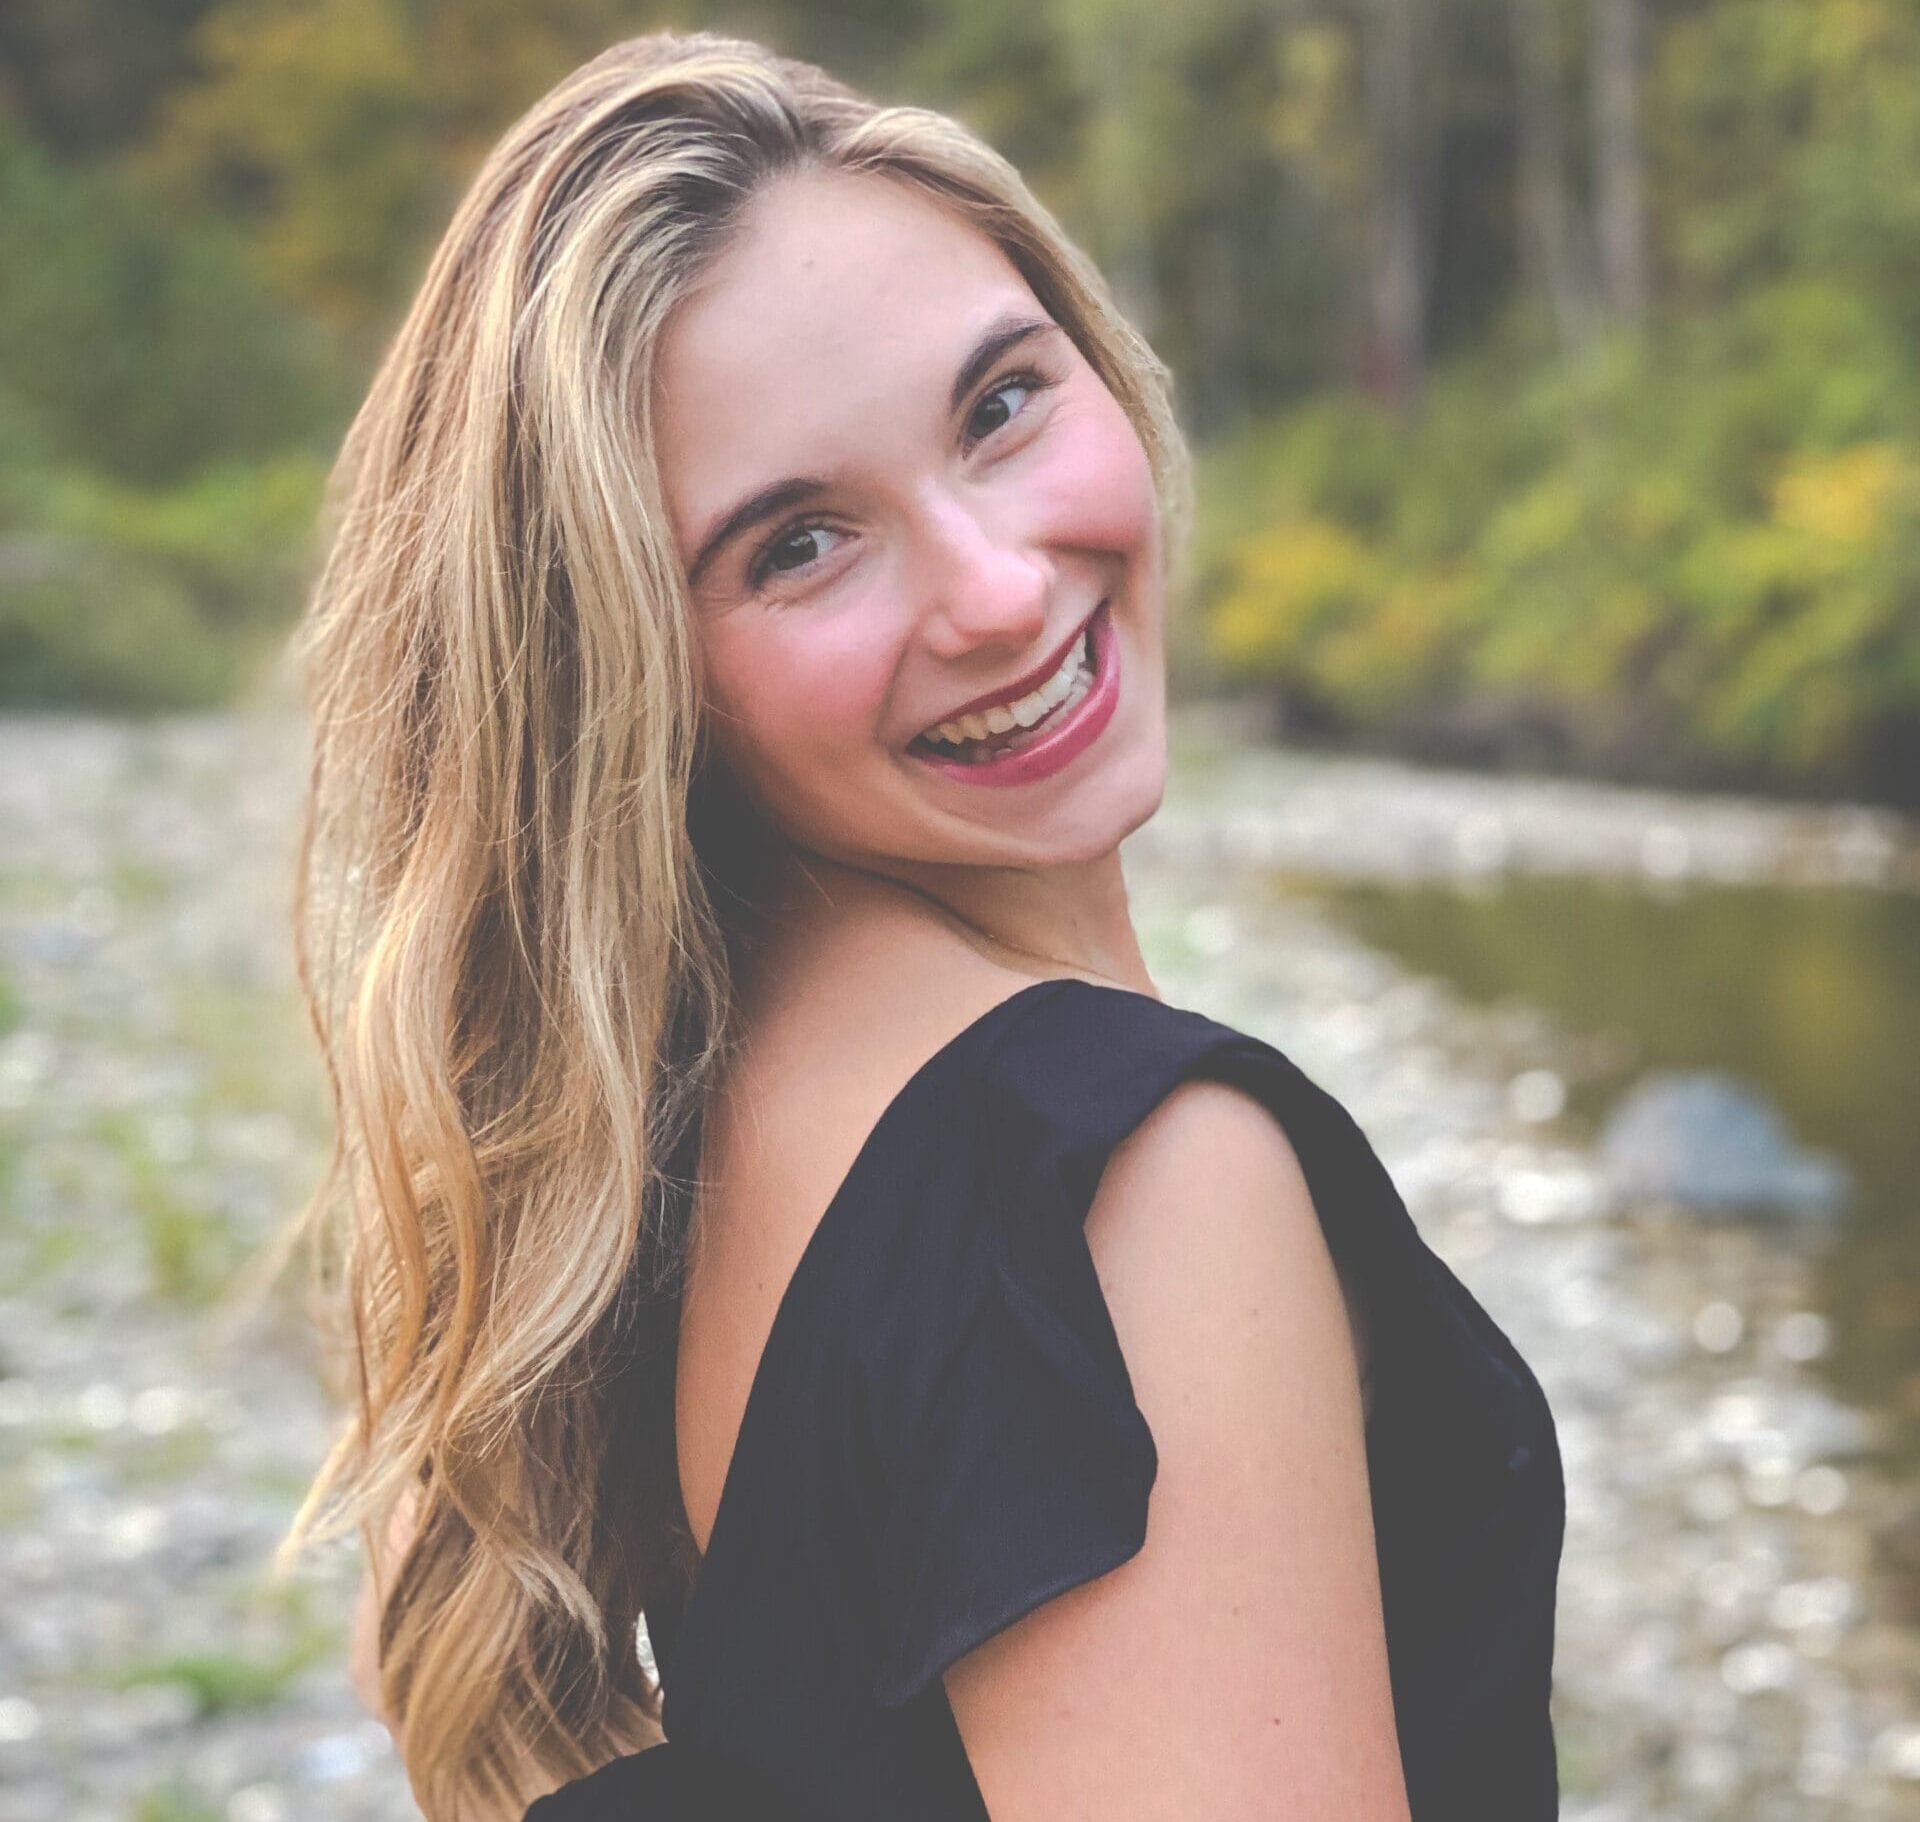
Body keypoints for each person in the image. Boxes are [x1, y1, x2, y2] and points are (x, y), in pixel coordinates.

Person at [286, 28, 1565, 1822]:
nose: (999, 586)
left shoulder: (624, 1148)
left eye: (1000, 404)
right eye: (797, 543)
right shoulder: (1121, 1190)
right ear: (635, 678)